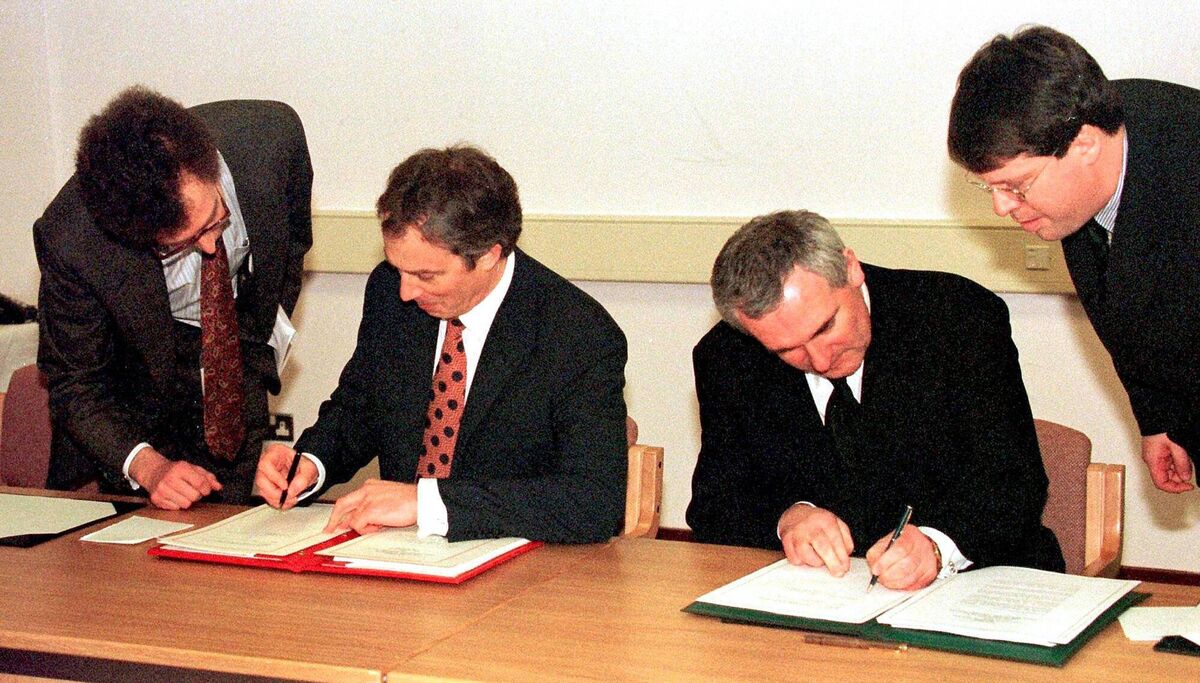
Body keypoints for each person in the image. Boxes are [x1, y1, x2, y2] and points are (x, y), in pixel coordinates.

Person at [255, 145, 628, 544]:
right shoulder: (389, 290)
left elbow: (594, 502)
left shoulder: (576, 332)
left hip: (520, 572)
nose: (405, 290)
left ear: (488, 255)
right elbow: (362, 406)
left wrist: (427, 503)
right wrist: (311, 463)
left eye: (426, 275)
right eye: (398, 269)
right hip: (396, 556)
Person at [687, 210, 1062, 591]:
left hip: (982, 584)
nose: (819, 360)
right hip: (824, 599)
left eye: (825, 327)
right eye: (787, 350)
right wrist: (790, 518)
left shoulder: (957, 317)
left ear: (851, 269)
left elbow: (1015, 485)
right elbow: (715, 506)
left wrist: (935, 547)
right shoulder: (727, 357)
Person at [948, 25, 1199, 494]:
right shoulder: (1086, 142)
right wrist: (1158, 417)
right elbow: (1124, 309)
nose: (1001, 207)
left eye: (1015, 186)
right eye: (989, 188)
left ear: (1084, 145)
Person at [34, 86, 312, 508]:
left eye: (214, 219)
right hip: (134, 391)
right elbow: (75, 382)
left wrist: (247, 356)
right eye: (181, 243)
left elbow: (289, 252)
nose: (208, 247)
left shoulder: (272, 142)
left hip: (233, 349)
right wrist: (149, 466)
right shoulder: (73, 238)